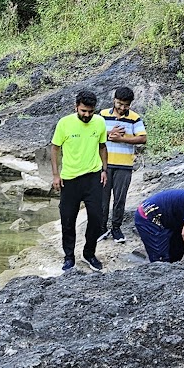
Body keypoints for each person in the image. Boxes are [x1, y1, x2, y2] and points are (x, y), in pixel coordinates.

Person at [49, 89, 109, 272]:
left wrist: (104, 170)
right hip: (70, 179)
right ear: (76, 107)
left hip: (93, 177)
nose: (87, 115)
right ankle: (69, 257)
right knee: (68, 220)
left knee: (97, 218)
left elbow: (102, 146)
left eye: (90, 111)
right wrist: (56, 175)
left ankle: (89, 253)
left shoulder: (99, 122)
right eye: (83, 111)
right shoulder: (64, 123)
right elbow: (54, 148)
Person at [103, 86, 146, 242]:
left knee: (120, 199)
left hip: (124, 165)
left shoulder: (134, 118)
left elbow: (142, 138)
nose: (122, 108)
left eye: (126, 105)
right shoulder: (102, 115)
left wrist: (122, 139)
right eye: (119, 104)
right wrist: (109, 134)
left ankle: (116, 228)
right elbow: (93, 134)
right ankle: (101, 228)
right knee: (102, 198)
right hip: (104, 165)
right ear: (114, 100)